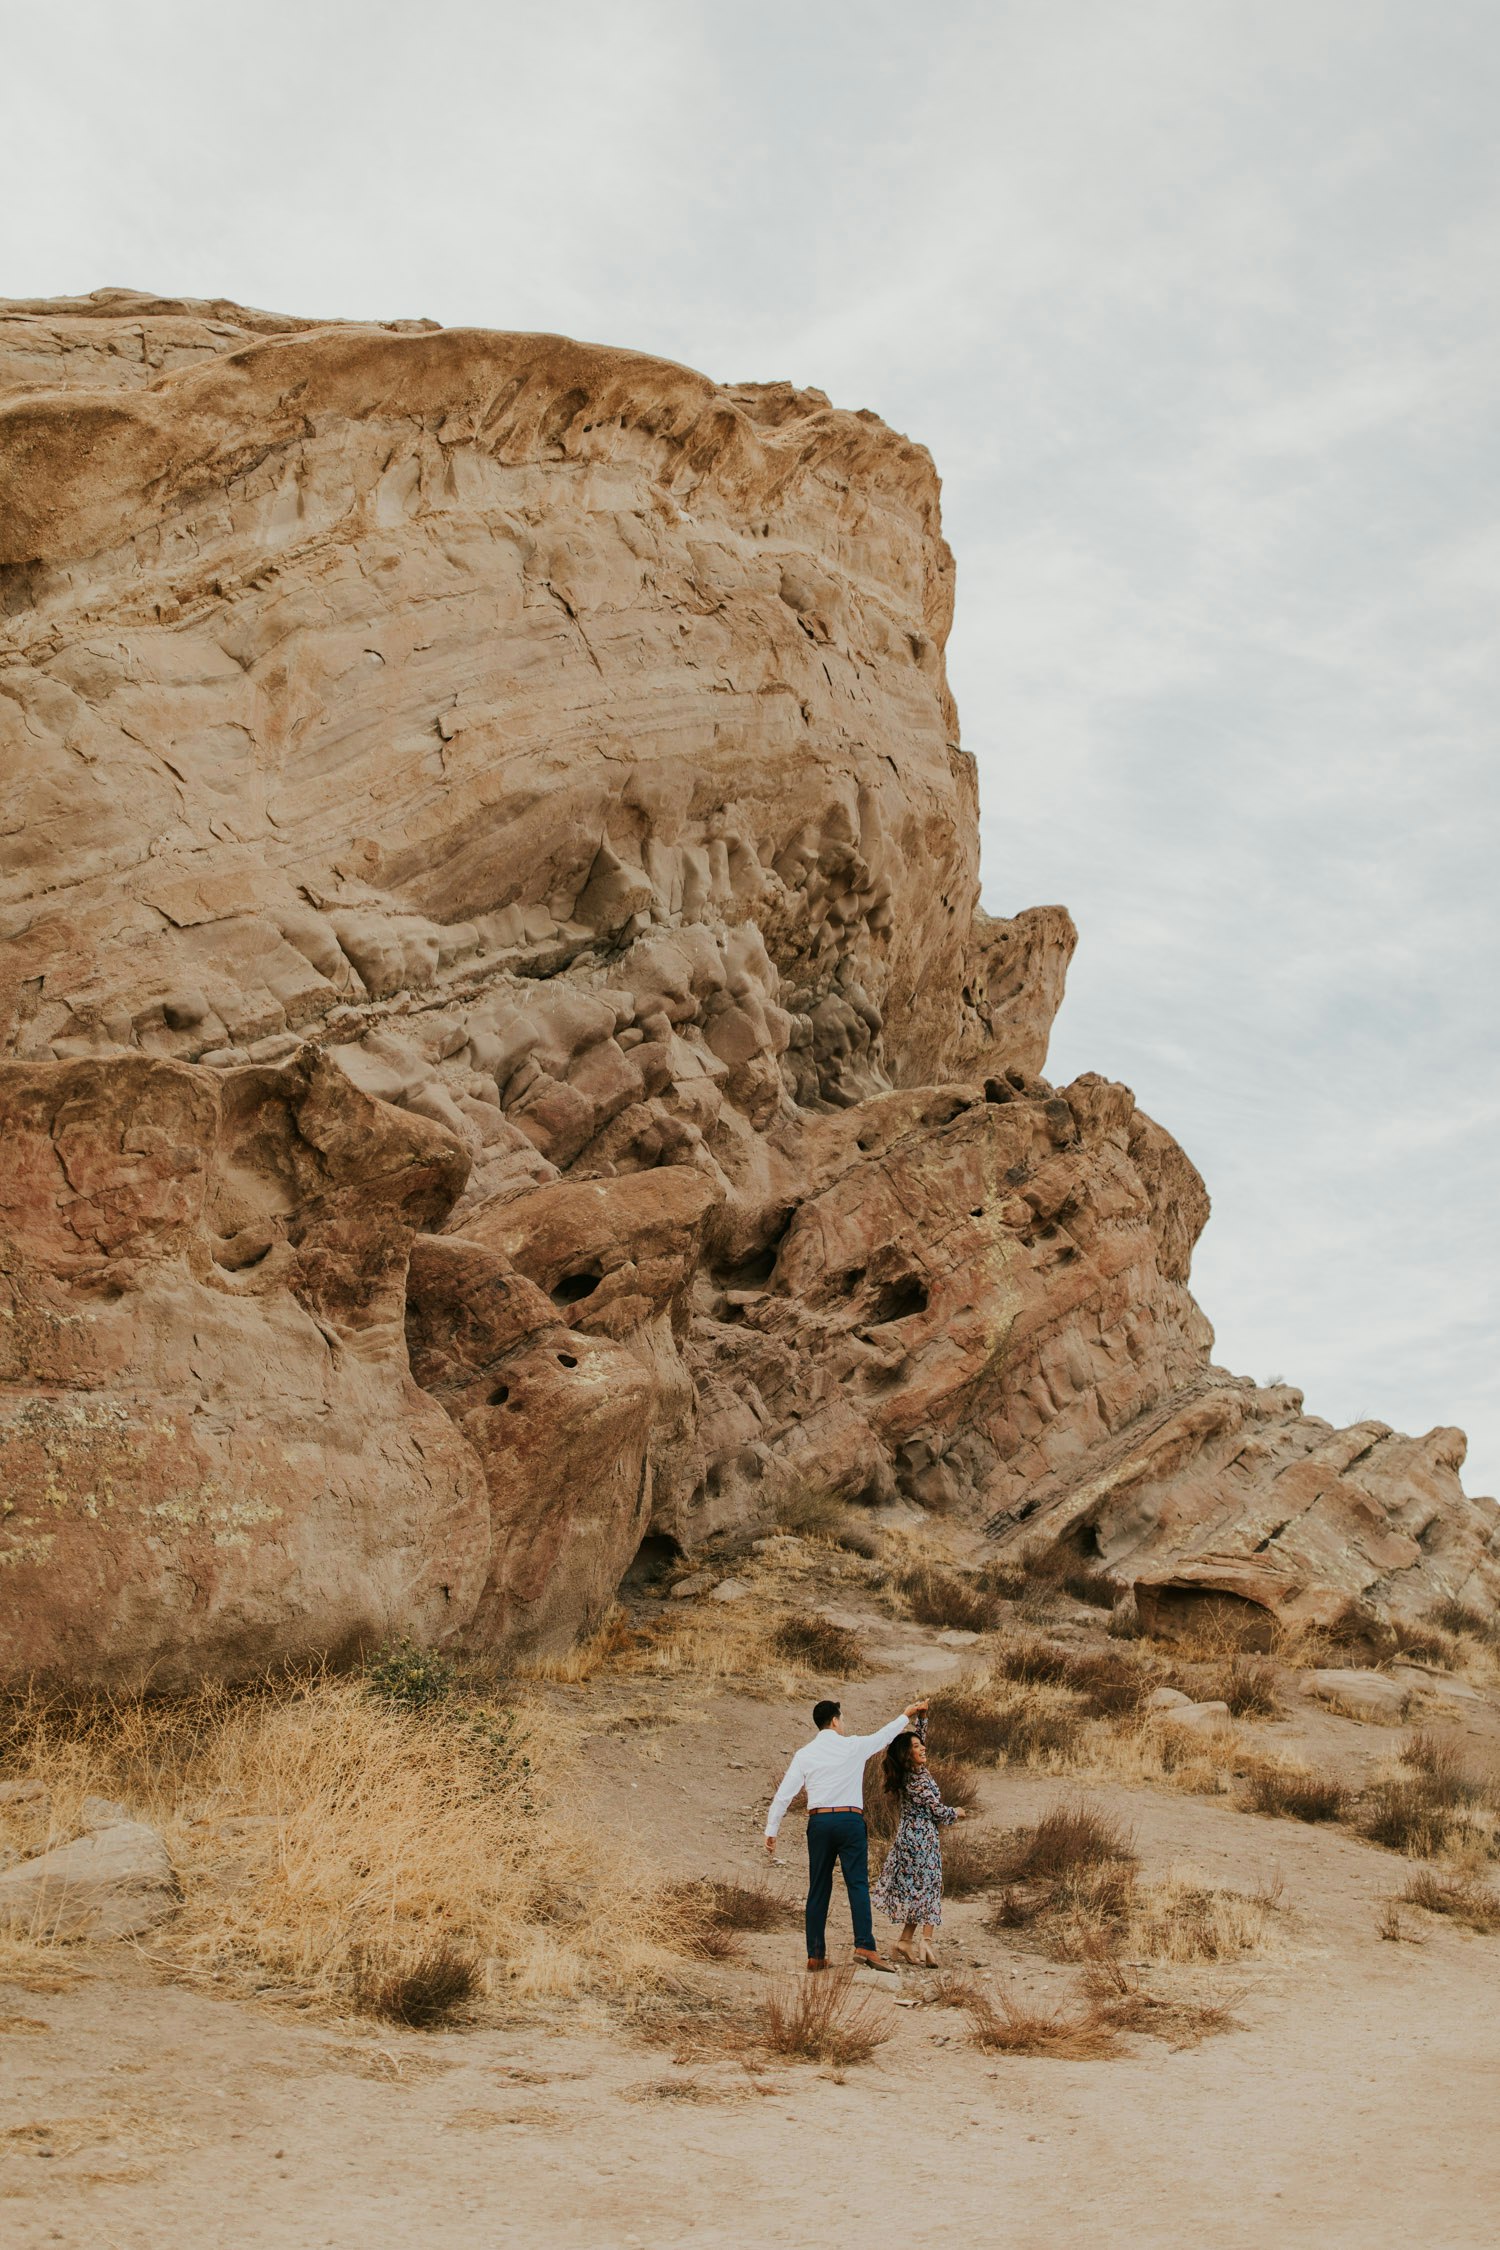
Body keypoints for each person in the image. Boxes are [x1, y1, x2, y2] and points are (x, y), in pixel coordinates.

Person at [764, 1694, 929, 1973]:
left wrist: (772, 1829)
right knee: (857, 1884)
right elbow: (884, 1737)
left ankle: (815, 1955)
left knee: (818, 1887)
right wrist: (907, 1714)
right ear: (835, 1720)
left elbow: (784, 1795)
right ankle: (864, 1945)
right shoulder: (852, 1746)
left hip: (819, 1823)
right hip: (850, 1820)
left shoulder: (804, 1754)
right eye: (842, 1719)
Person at [871, 1711, 964, 1964]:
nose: (922, 1748)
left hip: (912, 1839)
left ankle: (905, 1940)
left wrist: (922, 1718)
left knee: (917, 1891)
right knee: (930, 1888)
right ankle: (927, 1942)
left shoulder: (912, 1772)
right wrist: (955, 1812)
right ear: (906, 1754)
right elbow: (937, 1811)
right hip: (920, 1841)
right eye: (916, 1747)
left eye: (920, 1744)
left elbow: (916, 1741)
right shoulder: (917, 1781)